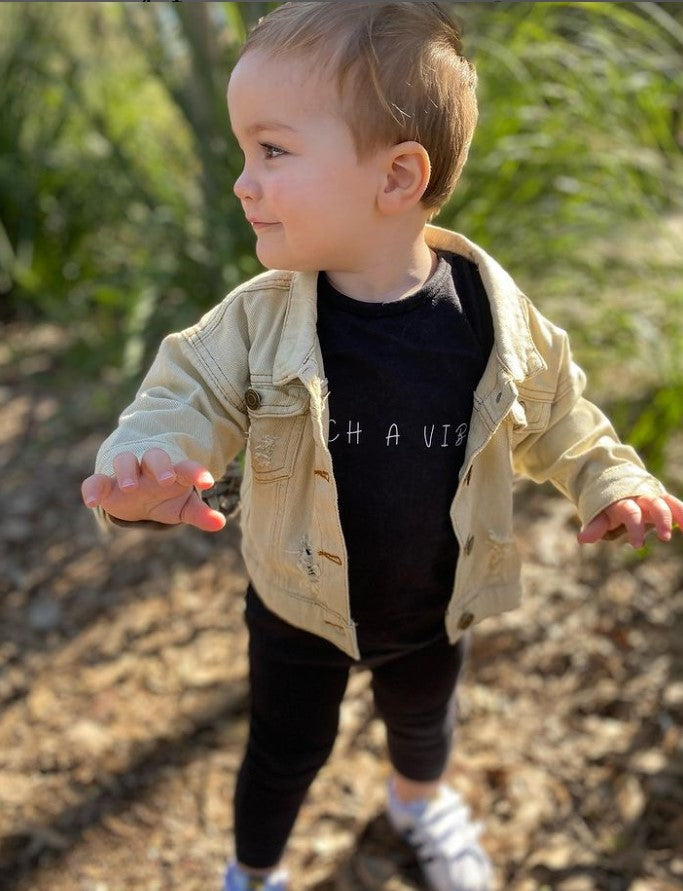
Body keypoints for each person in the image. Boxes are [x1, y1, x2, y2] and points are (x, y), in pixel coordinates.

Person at [81, 3, 683, 890]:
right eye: (245, 154)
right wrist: (144, 466)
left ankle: (417, 803)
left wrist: (609, 480)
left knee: (422, 724)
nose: (243, 183)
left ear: (397, 176)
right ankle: (253, 869)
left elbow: (563, 419)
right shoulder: (257, 319)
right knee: (283, 753)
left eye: (272, 151)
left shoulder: (492, 320)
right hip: (299, 606)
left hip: (434, 602)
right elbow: (185, 394)